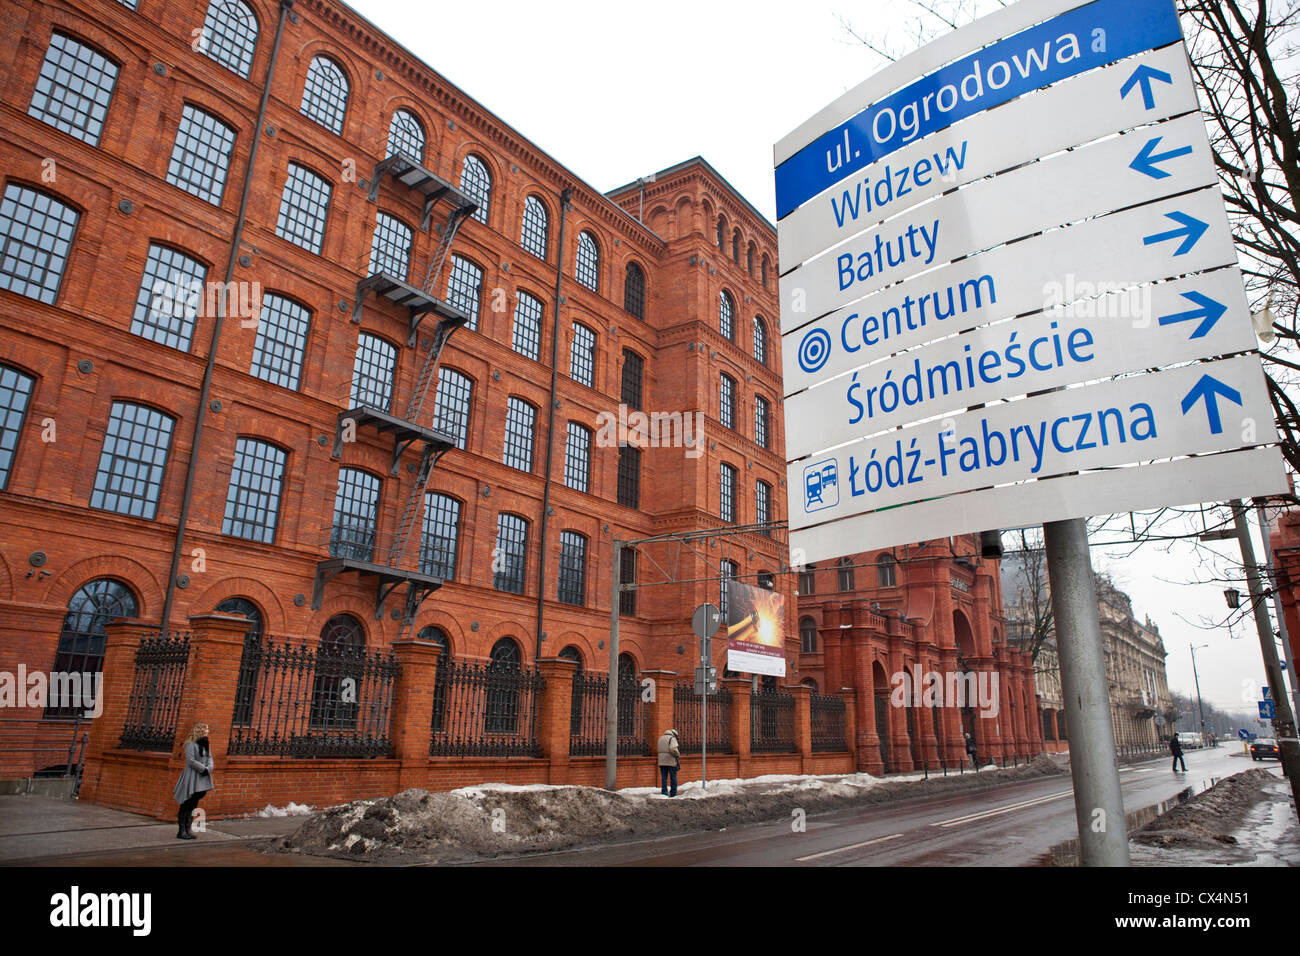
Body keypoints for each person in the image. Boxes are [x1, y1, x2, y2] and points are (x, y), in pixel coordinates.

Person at [173, 721, 215, 839]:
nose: (208, 731)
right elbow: (190, 761)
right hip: (192, 775)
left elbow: (210, 757)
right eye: (206, 729)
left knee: (193, 803)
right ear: (200, 730)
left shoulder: (206, 744)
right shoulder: (191, 744)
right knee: (186, 802)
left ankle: (188, 829)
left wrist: (209, 768)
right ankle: (181, 830)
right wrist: (203, 769)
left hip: (203, 775)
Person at [656, 728, 680, 797]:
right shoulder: (672, 739)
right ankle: (673, 793)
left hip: (661, 761)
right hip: (670, 761)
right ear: (674, 734)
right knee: (673, 777)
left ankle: (664, 792)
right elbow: (673, 749)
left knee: (664, 777)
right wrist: (677, 754)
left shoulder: (661, 738)